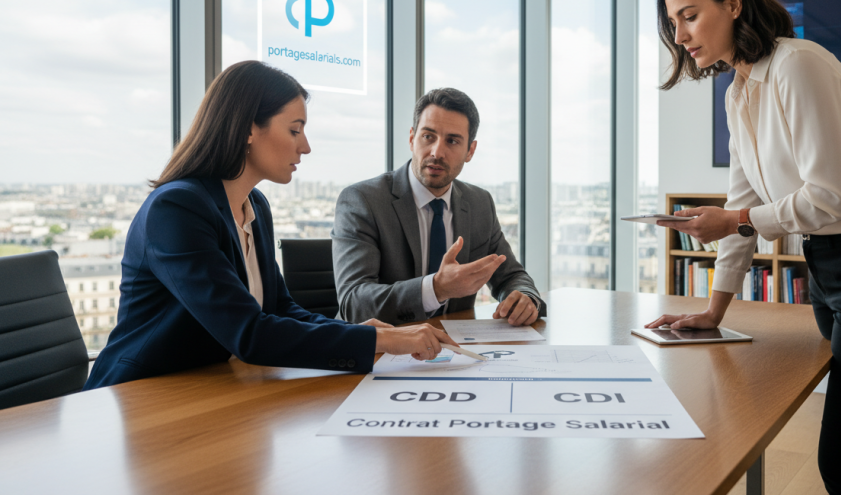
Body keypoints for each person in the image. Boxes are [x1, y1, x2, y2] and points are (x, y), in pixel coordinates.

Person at [645, 0, 841, 495]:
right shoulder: (738, 93)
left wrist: (734, 222)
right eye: (672, 23)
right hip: (830, 267)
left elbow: (829, 197)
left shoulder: (797, 65)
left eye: (689, 16)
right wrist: (713, 310)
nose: (680, 37)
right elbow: (743, 197)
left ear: (733, 2)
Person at [85, 61, 456, 390]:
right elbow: (249, 332)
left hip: (215, 386)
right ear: (248, 129)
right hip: (142, 396)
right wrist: (380, 343)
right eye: (295, 130)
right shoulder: (176, 208)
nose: (305, 146)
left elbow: (279, 309)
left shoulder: (254, 206)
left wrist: (361, 333)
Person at [332, 87, 543, 326]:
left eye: (452, 141)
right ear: (412, 138)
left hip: (454, 351)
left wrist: (525, 298)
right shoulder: (363, 201)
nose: (437, 152)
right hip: (382, 351)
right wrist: (435, 289)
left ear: (470, 151)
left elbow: (512, 276)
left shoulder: (479, 203)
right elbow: (354, 304)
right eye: (428, 136)